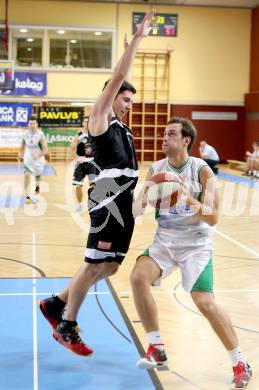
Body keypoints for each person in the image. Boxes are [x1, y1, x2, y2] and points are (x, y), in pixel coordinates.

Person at [38, 7, 156, 356]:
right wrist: (136, 41)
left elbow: (122, 79)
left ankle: (56, 303)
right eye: (124, 97)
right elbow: (119, 74)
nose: (129, 104)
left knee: (111, 265)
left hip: (124, 199)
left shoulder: (123, 127)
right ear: (110, 95)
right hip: (107, 197)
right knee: (94, 263)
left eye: (132, 100)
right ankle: (66, 324)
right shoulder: (100, 118)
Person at [131, 117, 252, 389]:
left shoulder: (202, 171)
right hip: (165, 241)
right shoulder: (156, 169)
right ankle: (156, 348)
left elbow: (213, 218)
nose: (164, 138)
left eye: (171, 134)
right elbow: (137, 209)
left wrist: (187, 198)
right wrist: (142, 200)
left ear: (186, 140)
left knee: (204, 302)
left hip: (196, 244)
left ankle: (240, 361)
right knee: (138, 277)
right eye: (163, 134)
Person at [18, 116, 48, 204]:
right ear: (28, 124)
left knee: (37, 176)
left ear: (37, 124)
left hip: (38, 159)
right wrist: (21, 154)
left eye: (34, 123)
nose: (32, 125)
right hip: (28, 158)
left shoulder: (40, 135)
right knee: (26, 175)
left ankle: (37, 186)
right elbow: (22, 147)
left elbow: (45, 149)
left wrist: (38, 154)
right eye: (30, 123)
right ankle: (27, 196)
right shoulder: (25, 135)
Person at [70, 116, 96, 212]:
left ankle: (93, 204)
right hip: (80, 164)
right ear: (83, 123)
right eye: (86, 121)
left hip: (92, 163)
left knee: (94, 185)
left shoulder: (95, 135)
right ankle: (80, 204)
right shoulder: (79, 135)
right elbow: (71, 148)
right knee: (78, 186)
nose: (88, 123)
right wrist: (77, 157)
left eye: (89, 121)